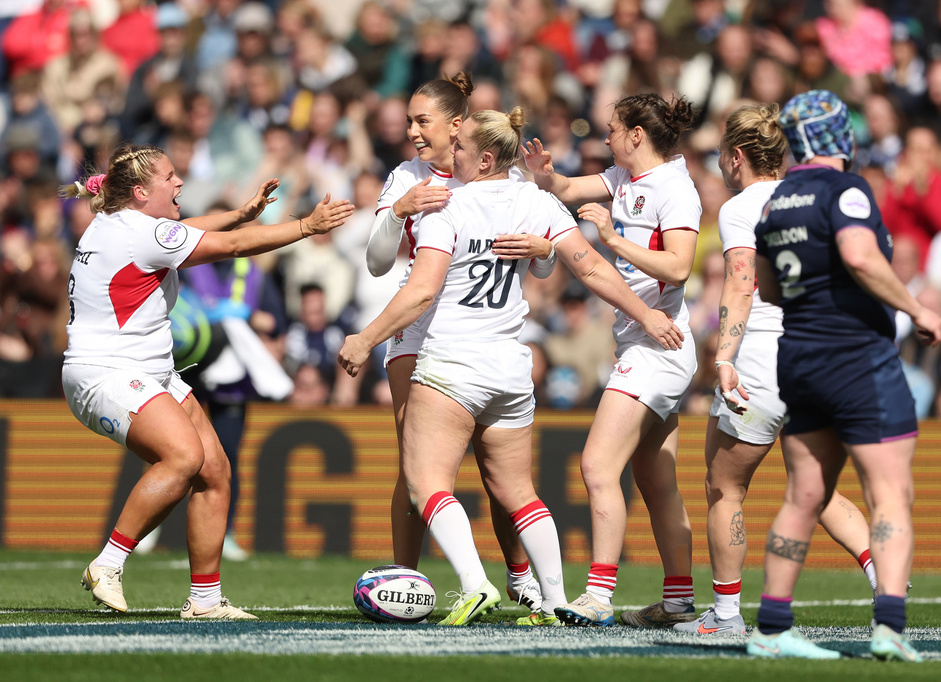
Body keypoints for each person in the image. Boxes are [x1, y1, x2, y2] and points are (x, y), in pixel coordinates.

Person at [339, 107, 683, 626]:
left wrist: (365, 339)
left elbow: (423, 289)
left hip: (453, 363)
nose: (448, 153)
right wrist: (647, 315)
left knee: (426, 483)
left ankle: (476, 584)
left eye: (459, 148)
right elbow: (588, 266)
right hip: (511, 369)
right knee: (520, 493)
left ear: (483, 158)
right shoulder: (536, 200)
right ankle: (555, 598)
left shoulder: (447, 206)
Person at [60, 143, 353, 619]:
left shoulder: (121, 225)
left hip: (145, 370)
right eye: (170, 177)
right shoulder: (141, 234)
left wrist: (240, 213)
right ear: (140, 192)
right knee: (183, 457)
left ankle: (206, 600)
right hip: (107, 372)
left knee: (213, 472)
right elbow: (231, 248)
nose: (180, 183)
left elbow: (189, 231)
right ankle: (109, 562)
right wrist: (307, 226)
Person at [748, 91, 941, 661]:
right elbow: (859, 255)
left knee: (803, 495)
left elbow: (765, 288)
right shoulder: (846, 189)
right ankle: (888, 626)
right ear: (838, 136)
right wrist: (916, 308)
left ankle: (772, 628)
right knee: (889, 493)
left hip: (799, 357)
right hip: (856, 356)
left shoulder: (776, 200)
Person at [673, 103, 878, 638]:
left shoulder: (742, 208)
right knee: (818, 486)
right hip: (820, 354)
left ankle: (725, 615)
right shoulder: (812, 198)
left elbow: (742, 281)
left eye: (720, 151)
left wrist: (722, 357)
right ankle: (887, 579)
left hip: (763, 357)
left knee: (725, 488)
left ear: (736, 156)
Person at [364, 72, 557, 612]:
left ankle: (519, 574)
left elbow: (544, 261)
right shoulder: (406, 175)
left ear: (456, 126)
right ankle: (405, 582)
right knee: (416, 463)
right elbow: (378, 262)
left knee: (498, 471)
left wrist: (542, 251)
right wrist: (399, 211)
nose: (411, 132)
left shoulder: (496, 173)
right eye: (408, 121)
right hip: (415, 328)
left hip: (480, 332)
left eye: (421, 121)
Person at [523, 93, 701, 627]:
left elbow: (681, 266)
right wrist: (546, 176)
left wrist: (611, 241)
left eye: (612, 130)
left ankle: (598, 595)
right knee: (656, 480)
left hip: (658, 344)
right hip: (643, 341)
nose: (606, 138)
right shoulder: (626, 179)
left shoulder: (675, 189)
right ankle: (677, 602)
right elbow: (568, 190)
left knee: (598, 464)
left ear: (637, 135)